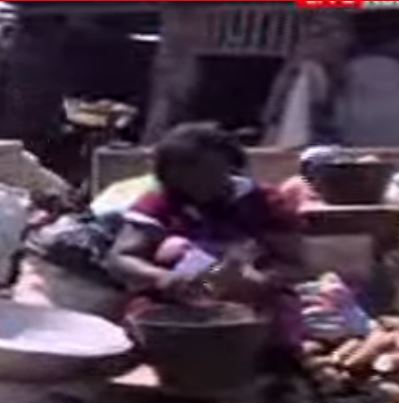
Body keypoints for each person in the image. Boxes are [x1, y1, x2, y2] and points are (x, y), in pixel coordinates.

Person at [107, 124, 306, 355]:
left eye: (208, 174)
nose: (199, 185)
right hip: (176, 300)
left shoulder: (263, 201)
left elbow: (294, 264)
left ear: (229, 166)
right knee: (147, 332)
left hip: (253, 297)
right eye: (186, 178)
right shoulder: (159, 204)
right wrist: (163, 278)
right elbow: (120, 257)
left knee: (275, 334)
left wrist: (261, 280)